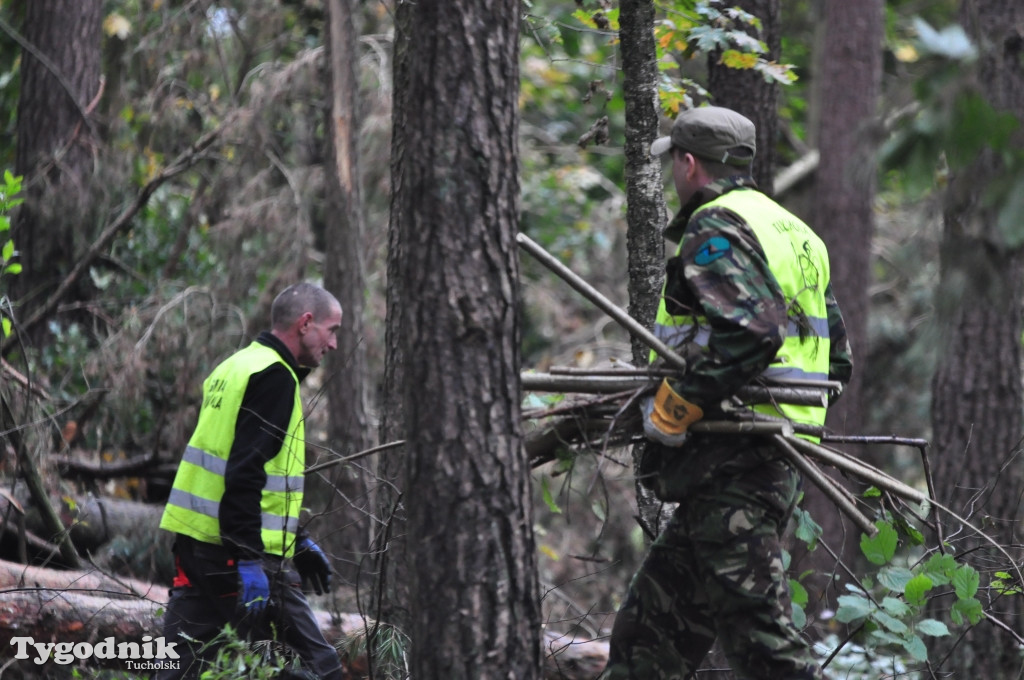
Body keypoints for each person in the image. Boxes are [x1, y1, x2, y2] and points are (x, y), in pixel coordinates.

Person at [600, 106, 853, 679]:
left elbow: (753, 334)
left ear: (689, 163)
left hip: (737, 466)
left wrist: (677, 406)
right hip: (760, 462)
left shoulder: (716, 225)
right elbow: (838, 361)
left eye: (675, 164)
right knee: (648, 639)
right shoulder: (796, 233)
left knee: (764, 646)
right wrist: (786, 416)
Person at [158, 282, 346, 680]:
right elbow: (244, 472)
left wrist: (296, 538)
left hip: (195, 545)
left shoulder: (236, 365)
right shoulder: (274, 378)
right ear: (306, 323)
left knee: (179, 668)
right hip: (235, 555)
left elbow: (236, 462)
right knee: (318, 668)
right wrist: (247, 559)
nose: (333, 345)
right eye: (332, 331)